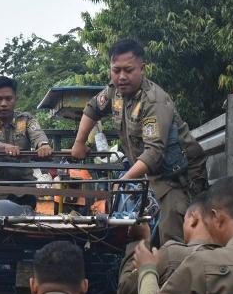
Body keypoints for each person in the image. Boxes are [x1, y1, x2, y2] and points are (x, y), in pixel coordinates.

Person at [72, 38, 206, 244]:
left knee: (172, 241)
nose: (121, 77)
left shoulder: (153, 101)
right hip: (150, 177)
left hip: (178, 179)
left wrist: (123, 180)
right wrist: (79, 142)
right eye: (116, 71)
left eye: (128, 70)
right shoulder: (114, 93)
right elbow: (92, 108)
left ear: (142, 69)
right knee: (132, 233)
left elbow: (153, 153)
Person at [0, 76, 53, 209]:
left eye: (8, 98)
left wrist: (43, 145)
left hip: (25, 191)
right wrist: (5, 147)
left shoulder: (26, 119)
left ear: (16, 98)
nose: (4, 103)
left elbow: (37, 133)